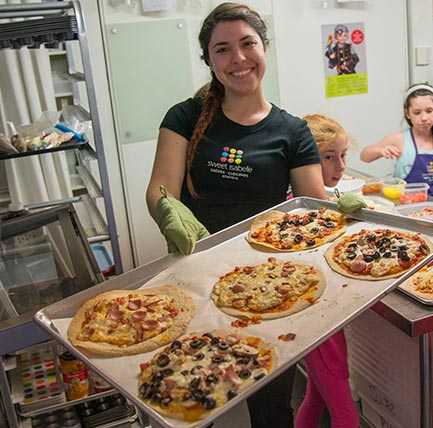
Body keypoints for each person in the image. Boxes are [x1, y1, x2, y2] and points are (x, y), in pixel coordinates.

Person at [146, 3, 326, 427]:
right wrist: (169, 212)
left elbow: (314, 210)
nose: (238, 59)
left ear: (265, 48)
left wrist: (344, 208)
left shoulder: (292, 131)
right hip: (195, 277)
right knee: (191, 393)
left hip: (270, 287)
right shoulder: (185, 116)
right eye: (223, 50)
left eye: (248, 44)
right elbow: (160, 189)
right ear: (209, 60)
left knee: (270, 404)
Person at [294, 114, 360, 428]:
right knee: (346, 414)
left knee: (316, 396)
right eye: (329, 157)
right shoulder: (303, 208)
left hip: (326, 317)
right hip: (319, 318)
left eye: (343, 155)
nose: (341, 165)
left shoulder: (322, 198)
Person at [360, 83, 433, 198]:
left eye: (429, 111)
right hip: (402, 205)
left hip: (432, 209)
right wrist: (380, 150)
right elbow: (364, 156)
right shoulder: (399, 139)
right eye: (417, 112)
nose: (424, 118)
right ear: (407, 113)